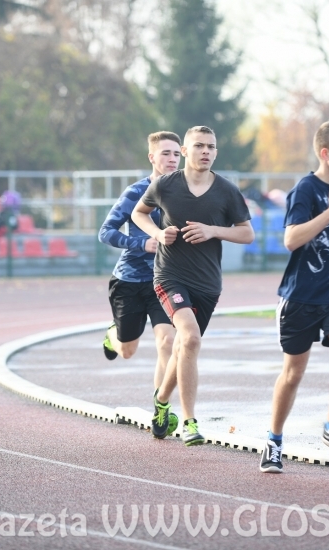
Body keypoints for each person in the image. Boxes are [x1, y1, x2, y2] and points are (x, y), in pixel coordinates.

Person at [131, 126, 254, 446]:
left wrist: (214, 231)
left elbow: (246, 233)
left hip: (208, 283)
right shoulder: (165, 185)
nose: (205, 152)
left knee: (185, 346)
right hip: (170, 275)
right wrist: (157, 234)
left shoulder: (227, 190)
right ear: (184, 151)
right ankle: (189, 421)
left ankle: (160, 401)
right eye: (198, 146)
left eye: (211, 147)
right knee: (190, 338)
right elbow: (138, 213)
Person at [260, 121, 329, 473]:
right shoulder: (306, 190)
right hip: (302, 297)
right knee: (293, 375)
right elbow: (291, 239)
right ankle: (274, 440)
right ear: (326, 153)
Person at [98, 131, 182, 434]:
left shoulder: (186, 192)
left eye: (176, 154)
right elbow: (105, 232)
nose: (172, 159)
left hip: (165, 281)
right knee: (129, 349)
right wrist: (140, 244)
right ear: (152, 158)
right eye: (165, 154)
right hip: (130, 281)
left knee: (168, 342)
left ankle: (160, 409)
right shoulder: (136, 192)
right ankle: (113, 336)